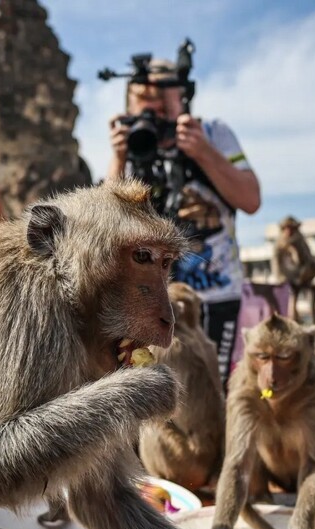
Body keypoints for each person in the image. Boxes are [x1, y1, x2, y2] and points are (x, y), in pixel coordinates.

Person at [107, 59, 261, 385]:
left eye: (164, 104)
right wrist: (119, 157)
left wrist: (203, 152)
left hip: (215, 298)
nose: (154, 114)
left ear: (184, 99)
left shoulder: (213, 134)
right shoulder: (131, 146)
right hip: (149, 303)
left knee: (210, 394)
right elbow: (105, 221)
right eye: (144, 106)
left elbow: (250, 199)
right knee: (153, 399)